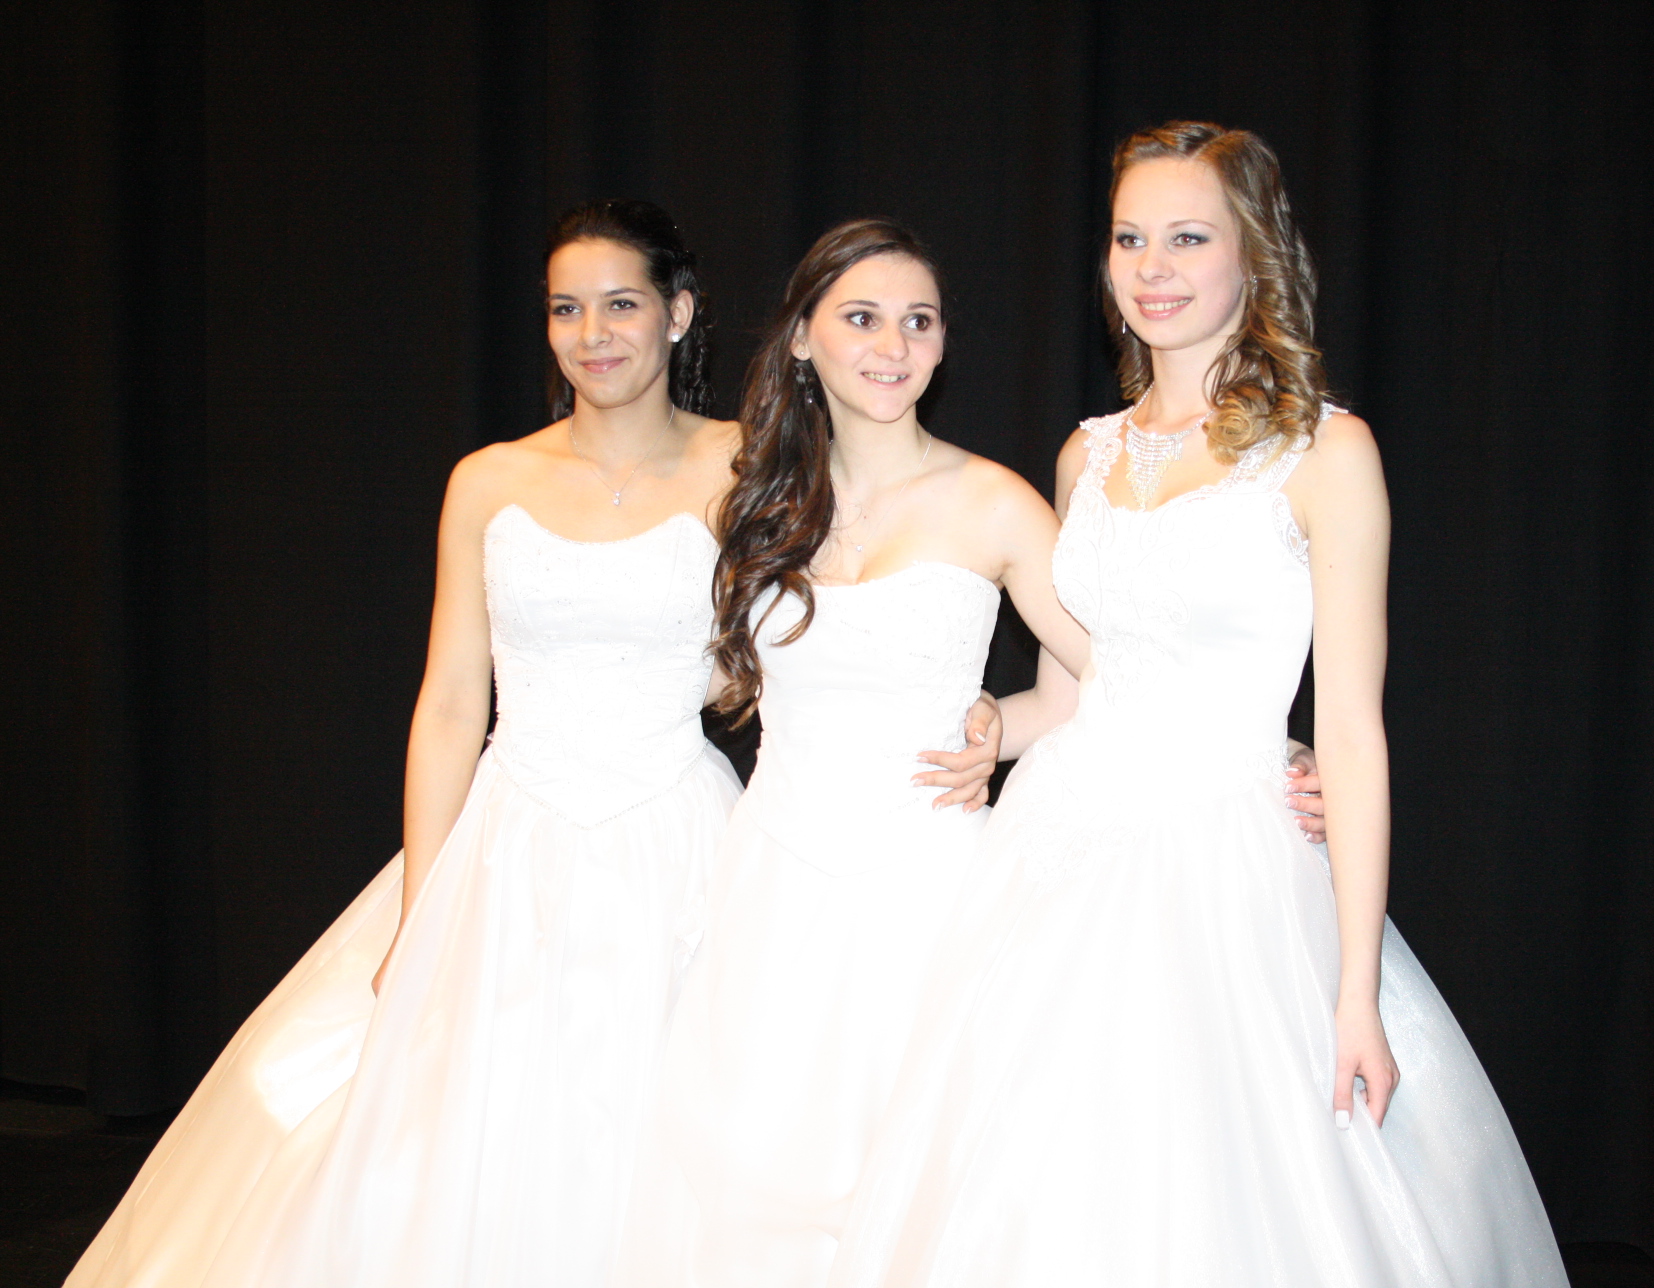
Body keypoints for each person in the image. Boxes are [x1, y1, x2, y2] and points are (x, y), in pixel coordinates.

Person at [65, 200, 997, 1288]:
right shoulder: (487, 479)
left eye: (621, 304)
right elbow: (451, 700)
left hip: (677, 842)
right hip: (507, 848)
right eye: (566, 309)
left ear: (679, 314)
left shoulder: (755, 467)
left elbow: (848, 611)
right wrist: (424, 903)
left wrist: (975, 707)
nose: (593, 334)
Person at [829, 123, 1569, 1287]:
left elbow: (1351, 731)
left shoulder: (1326, 452)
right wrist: (992, 729)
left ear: (1253, 254)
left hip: (1230, 866)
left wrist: (1355, 992)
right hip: (1060, 849)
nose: (1152, 267)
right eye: (1130, 238)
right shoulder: (1085, 456)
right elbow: (1073, 687)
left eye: (1187, 238)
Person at [659, 218, 1094, 1288]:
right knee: (755, 1162)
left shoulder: (994, 501)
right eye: (861, 318)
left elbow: (1111, 675)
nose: (893, 345)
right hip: (772, 881)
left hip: (929, 883)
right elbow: (703, 679)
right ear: (803, 338)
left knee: (920, 1171)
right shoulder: (753, 501)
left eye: (919, 321)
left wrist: (1001, 731)